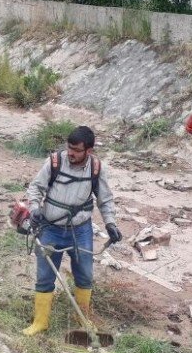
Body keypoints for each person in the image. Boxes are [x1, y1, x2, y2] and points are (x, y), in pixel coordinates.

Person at [22, 125, 123, 337]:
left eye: (77, 150)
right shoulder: (54, 162)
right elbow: (35, 188)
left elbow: (105, 199)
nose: (71, 153)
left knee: (85, 276)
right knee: (44, 277)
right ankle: (40, 322)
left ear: (89, 150)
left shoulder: (96, 168)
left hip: (81, 231)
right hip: (50, 229)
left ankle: (82, 318)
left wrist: (111, 224)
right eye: (69, 148)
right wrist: (35, 208)